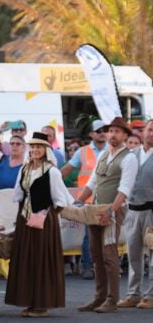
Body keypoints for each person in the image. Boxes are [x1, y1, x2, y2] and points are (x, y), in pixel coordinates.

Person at [4, 132, 73, 317]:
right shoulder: (25, 169)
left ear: (46, 150)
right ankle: (29, 301)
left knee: (42, 259)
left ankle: (41, 304)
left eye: (39, 147)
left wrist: (47, 216)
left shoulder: (52, 171)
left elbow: (60, 199)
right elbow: (18, 194)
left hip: (44, 221)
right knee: (26, 259)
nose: (35, 150)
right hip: (25, 219)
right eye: (33, 146)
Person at [75, 118, 139, 313]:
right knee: (95, 252)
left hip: (113, 210)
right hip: (95, 209)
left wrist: (110, 211)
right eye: (111, 131)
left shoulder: (129, 158)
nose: (112, 134)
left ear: (125, 135)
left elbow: (125, 189)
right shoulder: (103, 154)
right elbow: (92, 182)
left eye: (117, 131)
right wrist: (78, 202)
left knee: (109, 254)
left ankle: (112, 299)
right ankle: (100, 297)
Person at [62, 120, 108, 280]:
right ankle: (88, 266)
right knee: (90, 235)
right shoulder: (82, 152)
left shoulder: (113, 150)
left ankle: (105, 265)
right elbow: (67, 170)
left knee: (109, 234)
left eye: (105, 130)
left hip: (108, 199)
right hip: (88, 200)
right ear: (91, 134)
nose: (102, 133)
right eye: (99, 131)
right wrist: (51, 182)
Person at [119, 119, 153, 309]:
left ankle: (151, 295)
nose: (151, 133)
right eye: (149, 129)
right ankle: (133, 294)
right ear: (143, 132)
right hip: (132, 209)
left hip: (151, 210)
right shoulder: (132, 155)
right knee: (133, 253)